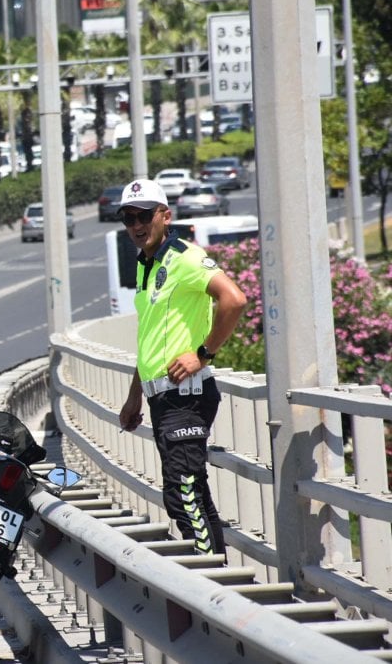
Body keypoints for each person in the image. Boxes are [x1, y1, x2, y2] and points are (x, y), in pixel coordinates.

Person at [115, 179, 247, 556]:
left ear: (165, 216)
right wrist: (133, 398)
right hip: (162, 400)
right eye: (128, 218)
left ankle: (213, 587)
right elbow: (151, 339)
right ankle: (220, 582)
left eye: (144, 216)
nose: (136, 225)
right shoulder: (146, 265)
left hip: (186, 397)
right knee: (192, 495)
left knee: (183, 496)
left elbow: (234, 300)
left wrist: (202, 354)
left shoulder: (184, 257)